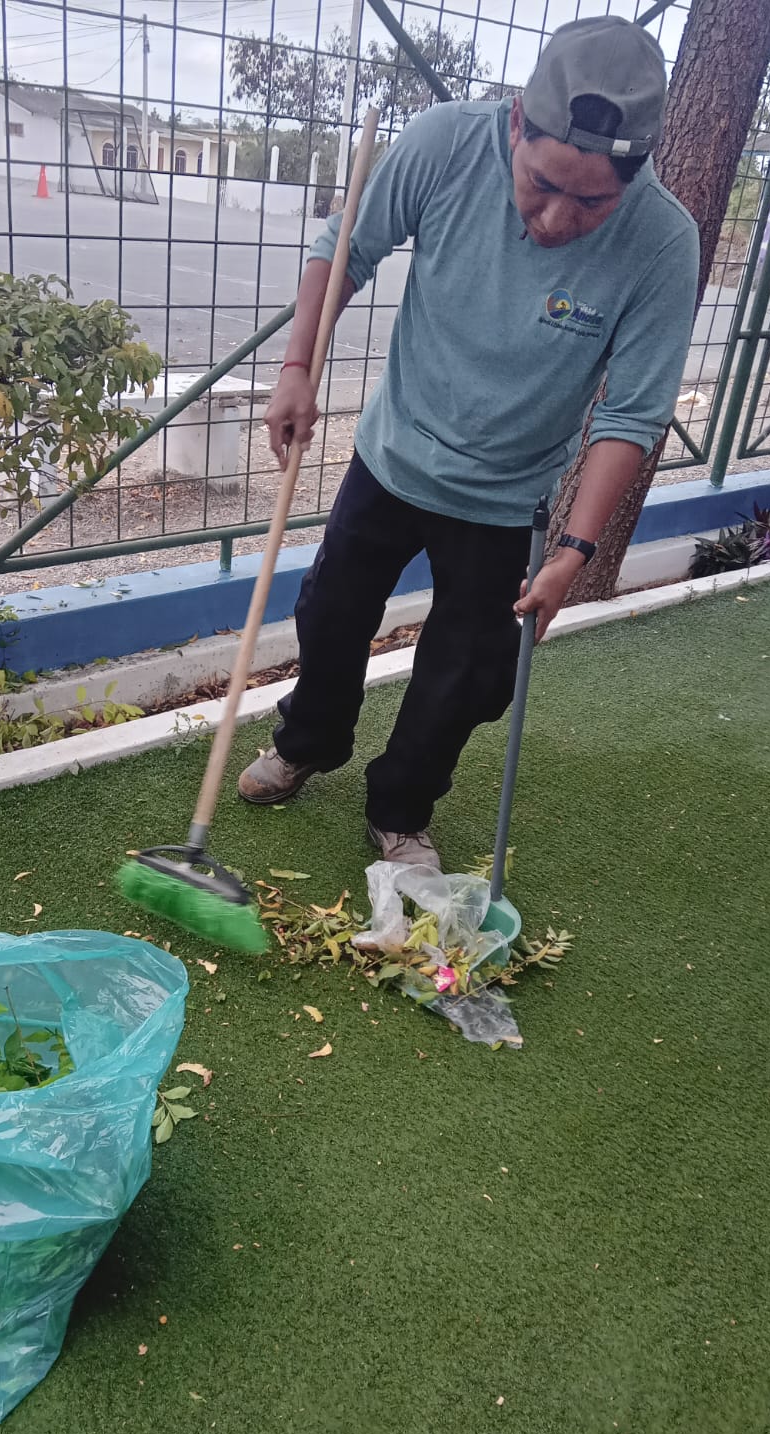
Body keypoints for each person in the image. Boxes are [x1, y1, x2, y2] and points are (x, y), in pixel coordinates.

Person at [237, 16, 699, 869]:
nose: (556, 218)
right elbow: (344, 250)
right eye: (541, 184)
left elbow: (632, 415)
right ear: (517, 122)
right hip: (394, 454)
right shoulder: (446, 142)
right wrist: (298, 366)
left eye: (591, 202)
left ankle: (401, 808)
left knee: (469, 674)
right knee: (330, 614)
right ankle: (309, 741)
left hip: (507, 496)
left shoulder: (664, 242)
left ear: (635, 177)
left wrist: (575, 551)